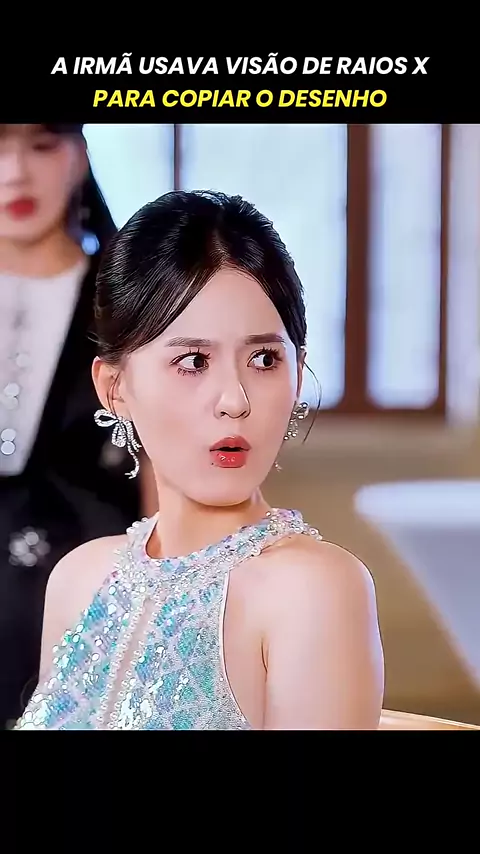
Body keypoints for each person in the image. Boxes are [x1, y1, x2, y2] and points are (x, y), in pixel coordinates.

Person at [14, 189, 384, 731]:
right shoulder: (80, 577)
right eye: (193, 361)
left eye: (264, 359)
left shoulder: (313, 589)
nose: (235, 400)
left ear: (298, 371)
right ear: (114, 387)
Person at [0, 124, 141, 729]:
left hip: (91, 605)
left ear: (79, 156)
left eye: (40, 145)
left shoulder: (131, 309)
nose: (15, 173)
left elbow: (165, 475)